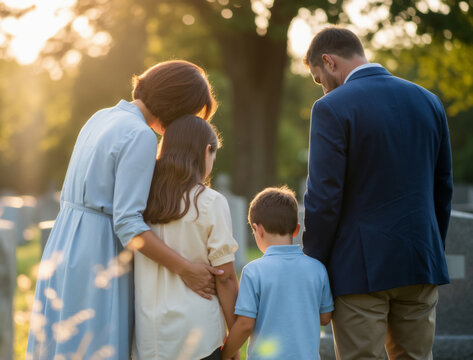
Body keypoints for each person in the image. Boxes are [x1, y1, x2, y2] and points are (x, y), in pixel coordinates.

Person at [26, 60, 224, 360]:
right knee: (95, 347)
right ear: (176, 105)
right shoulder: (140, 135)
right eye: (188, 114)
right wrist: (186, 269)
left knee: (66, 346)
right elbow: (129, 223)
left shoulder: (101, 117)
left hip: (65, 242)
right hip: (99, 250)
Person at [302, 27, 453, 359]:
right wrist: (430, 251)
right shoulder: (429, 101)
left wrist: (314, 266)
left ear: (328, 61)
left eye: (318, 78)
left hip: (358, 271)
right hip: (420, 262)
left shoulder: (331, 107)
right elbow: (442, 189)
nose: (322, 87)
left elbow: (324, 198)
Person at [132, 115, 239, 360]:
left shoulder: (141, 201)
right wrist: (234, 337)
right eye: (213, 156)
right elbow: (225, 278)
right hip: (199, 336)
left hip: (148, 339)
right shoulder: (210, 202)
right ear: (206, 151)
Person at [222, 186, 333, 360]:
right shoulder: (317, 268)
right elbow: (325, 317)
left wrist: (225, 354)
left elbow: (245, 324)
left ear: (258, 230)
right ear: (296, 229)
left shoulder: (253, 272)